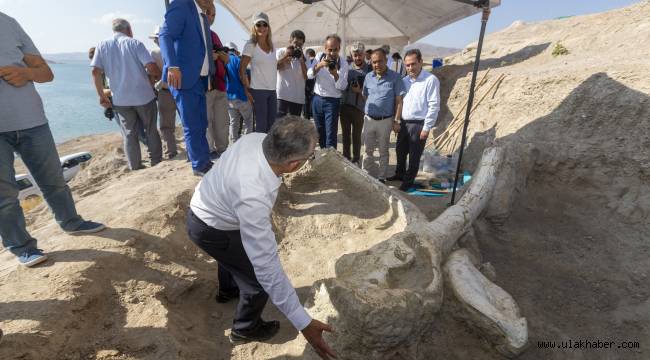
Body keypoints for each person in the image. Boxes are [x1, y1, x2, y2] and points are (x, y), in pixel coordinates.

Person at [187, 116, 337, 359]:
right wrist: (304, 323)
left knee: (233, 255)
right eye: (310, 156)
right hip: (212, 227)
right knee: (256, 281)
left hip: (208, 210)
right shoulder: (253, 195)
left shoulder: (254, 139)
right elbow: (266, 268)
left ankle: (227, 291)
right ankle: (244, 328)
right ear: (293, 165)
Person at [1, 11, 105, 267]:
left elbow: (46, 73)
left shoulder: (8, 23)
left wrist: (25, 74)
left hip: (32, 121)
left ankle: (72, 223)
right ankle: (23, 248)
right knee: (4, 197)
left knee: (54, 181)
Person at [91, 19, 163, 171]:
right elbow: (150, 66)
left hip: (120, 99)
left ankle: (135, 166)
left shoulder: (102, 45)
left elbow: (95, 72)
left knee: (129, 134)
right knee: (150, 129)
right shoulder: (134, 43)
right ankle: (156, 162)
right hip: (143, 95)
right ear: (128, 29)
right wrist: (157, 75)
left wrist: (101, 95)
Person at [159, 0, 215, 176]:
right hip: (183, 77)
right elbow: (164, 35)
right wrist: (172, 66)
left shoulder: (202, 15)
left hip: (200, 78)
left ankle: (204, 160)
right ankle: (199, 165)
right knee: (191, 123)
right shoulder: (182, 5)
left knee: (201, 122)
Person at [388, 49, 440, 191]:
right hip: (404, 123)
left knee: (414, 155)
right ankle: (399, 174)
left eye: (413, 64)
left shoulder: (430, 80)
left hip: (419, 124)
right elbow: (399, 102)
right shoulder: (404, 81)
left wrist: (426, 127)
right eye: (407, 65)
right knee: (400, 151)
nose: (410, 68)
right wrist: (397, 121)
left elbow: (434, 105)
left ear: (420, 62)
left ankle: (408, 182)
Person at [361, 49, 405, 183]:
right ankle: (366, 175)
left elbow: (399, 101)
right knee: (367, 150)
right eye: (374, 62)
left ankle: (381, 177)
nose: (377, 64)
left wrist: (397, 120)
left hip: (386, 121)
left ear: (386, 61)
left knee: (383, 151)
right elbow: (365, 95)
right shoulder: (368, 76)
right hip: (369, 119)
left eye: (380, 61)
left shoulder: (395, 77)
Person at [307, 34, 349, 149]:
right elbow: (309, 75)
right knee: (320, 133)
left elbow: (343, 86)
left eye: (335, 50)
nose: (332, 53)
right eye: (330, 50)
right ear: (325, 48)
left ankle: (331, 160)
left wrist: (335, 74)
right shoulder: (319, 56)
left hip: (332, 101)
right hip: (317, 99)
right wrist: (319, 65)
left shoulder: (343, 63)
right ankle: (323, 156)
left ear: (339, 48)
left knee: (330, 135)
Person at [240, 12, 277, 133]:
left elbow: (272, 67)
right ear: (254, 27)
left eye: (264, 24)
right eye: (258, 25)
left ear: (268, 27)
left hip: (272, 91)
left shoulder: (272, 46)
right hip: (258, 91)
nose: (262, 27)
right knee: (261, 126)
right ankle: (259, 151)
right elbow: (242, 69)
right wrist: (246, 90)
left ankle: (268, 151)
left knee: (272, 125)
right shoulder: (251, 45)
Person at [204, 3, 231, 158]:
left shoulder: (214, 35)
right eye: (208, 13)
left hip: (220, 85)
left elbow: (226, 60)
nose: (211, 17)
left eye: (213, 15)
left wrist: (220, 55)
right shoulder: (196, 34)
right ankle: (209, 150)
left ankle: (222, 149)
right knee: (207, 121)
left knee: (222, 121)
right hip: (206, 85)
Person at [149, 26, 179, 160]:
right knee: (186, 120)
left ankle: (171, 151)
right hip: (180, 89)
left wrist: (157, 84)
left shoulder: (154, 53)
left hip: (165, 91)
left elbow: (152, 72)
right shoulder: (177, 49)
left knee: (166, 125)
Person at [340, 42, 371, 164]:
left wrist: (360, 90)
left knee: (356, 136)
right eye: (355, 55)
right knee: (345, 135)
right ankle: (346, 158)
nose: (357, 58)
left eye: (360, 55)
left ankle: (356, 159)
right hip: (345, 106)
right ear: (351, 55)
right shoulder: (346, 67)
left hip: (360, 107)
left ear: (364, 55)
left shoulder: (370, 70)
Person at [224, 43, 254, 142]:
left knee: (233, 122)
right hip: (241, 95)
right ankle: (247, 142)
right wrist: (248, 90)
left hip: (228, 98)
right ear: (236, 51)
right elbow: (244, 77)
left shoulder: (223, 61)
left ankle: (233, 142)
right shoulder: (238, 60)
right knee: (249, 120)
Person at [276, 30, 307, 117]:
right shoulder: (281, 52)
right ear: (290, 41)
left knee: (294, 127)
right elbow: (275, 67)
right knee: (279, 125)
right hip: (282, 96)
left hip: (298, 98)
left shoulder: (304, 57)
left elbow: (306, 76)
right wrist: (286, 56)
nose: (297, 46)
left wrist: (301, 60)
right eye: (295, 43)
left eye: (300, 45)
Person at [303, 48, 317, 120]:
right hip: (307, 80)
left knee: (309, 99)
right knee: (307, 99)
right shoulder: (306, 61)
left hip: (311, 81)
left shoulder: (315, 61)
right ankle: (307, 115)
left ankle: (308, 115)